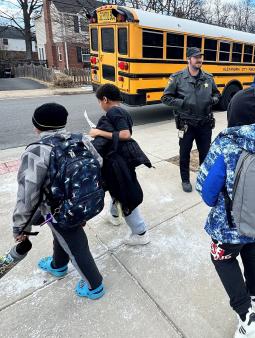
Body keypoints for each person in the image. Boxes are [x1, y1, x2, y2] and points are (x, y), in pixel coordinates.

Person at [196, 87, 255, 338]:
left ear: (232, 114)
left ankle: (246, 318)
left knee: (222, 259)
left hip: (229, 227)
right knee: (254, 251)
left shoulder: (226, 145)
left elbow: (206, 193)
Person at [12, 103, 105, 300]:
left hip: (58, 210)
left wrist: (20, 227)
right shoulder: (82, 140)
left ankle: (94, 286)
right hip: (83, 202)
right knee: (62, 236)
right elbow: (99, 163)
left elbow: (27, 195)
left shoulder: (37, 151)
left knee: (76, 244)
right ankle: (58, 265)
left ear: (37, 126)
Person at [89, 84, 151, 246]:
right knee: (116, 189)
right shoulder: (122, 111)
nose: (100, 105)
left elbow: (125, 134)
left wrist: (98, 132)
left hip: (118, 162)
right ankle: (115, 216)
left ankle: (140, 233)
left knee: (125, 195)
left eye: (99, 101)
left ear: (105, 99)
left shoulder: (114, 111)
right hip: (120, 160)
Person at [162, 47, 221, 193]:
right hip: (186, 124)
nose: (199, 60)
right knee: (184, 153)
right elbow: (165, 98)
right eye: (196, 57)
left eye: (201, 57)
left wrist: (212, 100)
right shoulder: (177, 78)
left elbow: (217, 94)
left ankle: (203, 179)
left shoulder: (208, 77)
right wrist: (183, 103)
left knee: (205, 154)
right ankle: (185, 180)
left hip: (204, 123)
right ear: (188, 59)